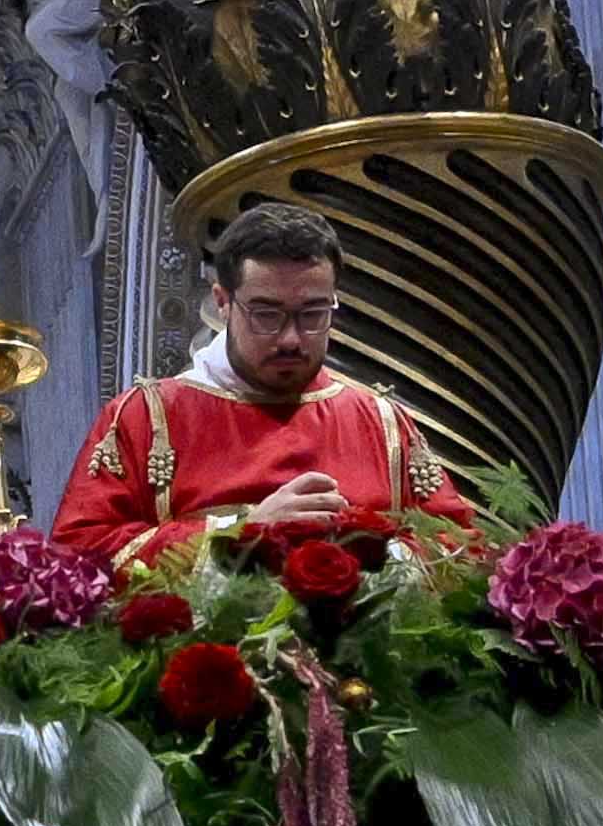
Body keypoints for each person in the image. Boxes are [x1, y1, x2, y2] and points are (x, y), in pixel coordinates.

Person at [51, 205, 480, 571]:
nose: (292, 338)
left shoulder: (382, 420)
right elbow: (81, 557)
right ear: (222, 301)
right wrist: (241, 534)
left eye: (313, 313)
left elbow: (461, 550)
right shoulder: (145, 417)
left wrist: (368, 558)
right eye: (267, 314)